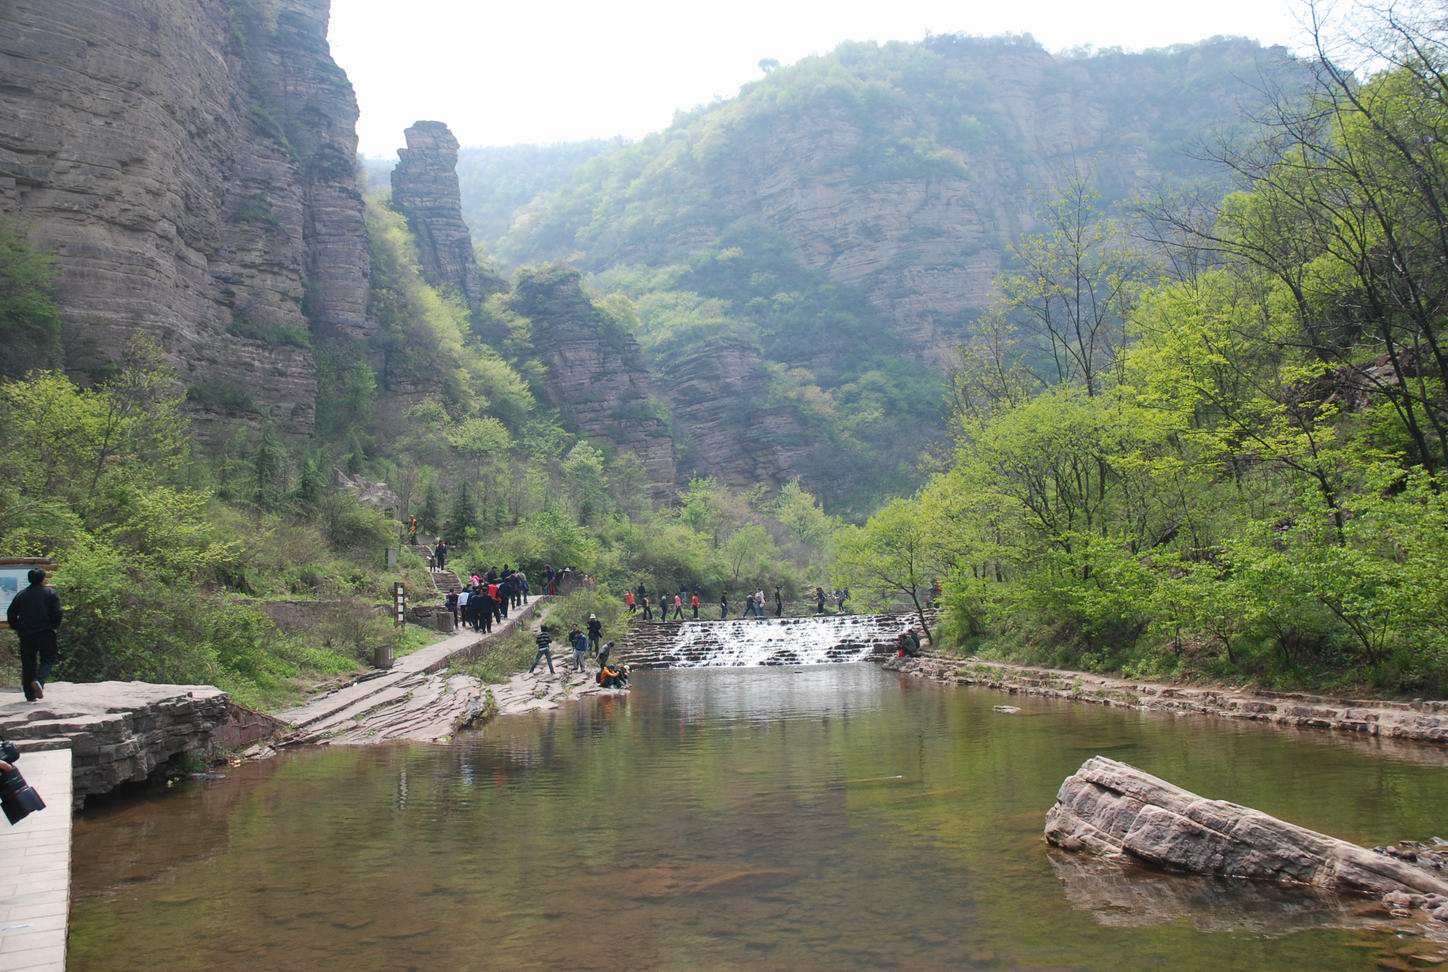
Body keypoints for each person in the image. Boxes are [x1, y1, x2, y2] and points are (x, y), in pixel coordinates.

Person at [6, 569, 62, 702]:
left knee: (28, 663)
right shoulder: (50, 593)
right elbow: (57, 613)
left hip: (26, 635)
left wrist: (17, 627)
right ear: (43, 579)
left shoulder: (21, 595)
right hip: (45, 633)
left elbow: (11, 614)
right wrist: (53, 626)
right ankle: (39, 681)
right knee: (48, 659)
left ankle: (30, 695)